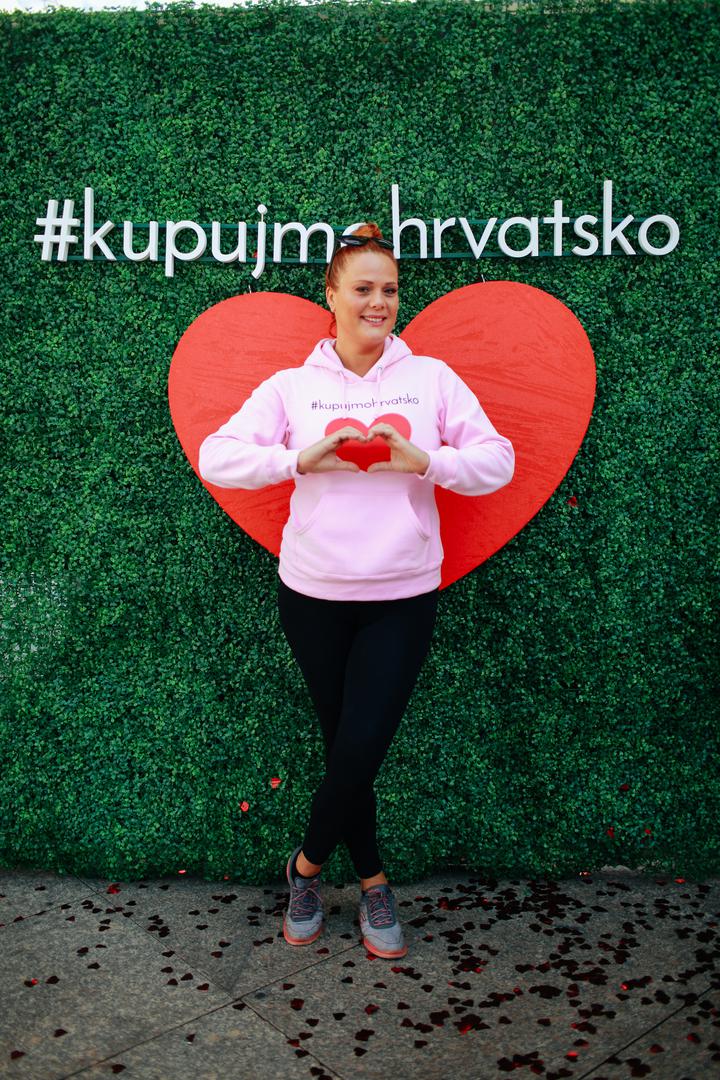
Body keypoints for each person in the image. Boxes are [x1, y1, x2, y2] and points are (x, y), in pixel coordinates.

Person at [198, 223, 515, 959]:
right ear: (332, 294)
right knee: (346, 746)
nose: (380, 302)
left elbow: (496, 460)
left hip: (402, 594)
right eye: (364, 288)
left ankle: (306, 868)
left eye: (390, 289)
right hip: (313, 595)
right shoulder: (293, 388)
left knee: (362, 742)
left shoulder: (431, 378)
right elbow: (219, 456)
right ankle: (373, 882)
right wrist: (296, 459)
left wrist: (426, 461)